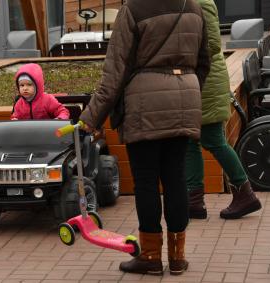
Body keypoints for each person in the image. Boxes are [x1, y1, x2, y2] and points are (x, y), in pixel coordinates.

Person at [79, 0, 210, 276]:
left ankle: (150, 257)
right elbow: (204, 62)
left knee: (147, 182)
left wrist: (90, 119)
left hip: (144, 106)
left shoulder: (134, 9)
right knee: (175, 177)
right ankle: (177, 257)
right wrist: (185, 88)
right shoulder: (193, 7)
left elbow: (115, 72)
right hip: (184, 101)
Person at [186, 0, 262, 220]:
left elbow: (209, 45)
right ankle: (194, 202)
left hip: (206, 81)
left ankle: (244, 193)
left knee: (213, 140)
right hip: (198, 80)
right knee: (191, 140)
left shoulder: (201, 2)